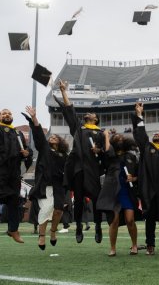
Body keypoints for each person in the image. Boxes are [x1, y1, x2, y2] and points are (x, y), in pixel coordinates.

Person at [54, 80, 106, 243]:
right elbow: (70, 111)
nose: (89, 114)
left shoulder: (101, 133)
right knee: (78, 200)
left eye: (92, 114)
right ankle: (78, 226)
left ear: (96, 120)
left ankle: (98, 226)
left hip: (93, 170)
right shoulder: (79, 129)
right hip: (78, 169)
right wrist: (64, 92)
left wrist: (100, 150)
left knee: (97, 200)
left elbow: (107, 151)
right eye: (88, 114)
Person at [0, 108, 33, 246]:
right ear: (0, 116)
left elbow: (25, 151)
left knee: (14, 201)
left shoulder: (18, 133)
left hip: (13, 173)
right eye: (4, 113)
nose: (7, 115)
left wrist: (27, 153)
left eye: (9, 113)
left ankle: (13, 230)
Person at [132, 102, 159, 255]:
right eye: (155, 134)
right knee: (149, 219)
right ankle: (150, 245)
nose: (156, 134)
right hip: (149, 189)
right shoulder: (147, 149)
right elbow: (140, 135)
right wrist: (139, 115)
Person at [23, 106, 68, 251]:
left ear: (60, 142)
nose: (52, 137)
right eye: (51, 137)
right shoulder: (44, 149)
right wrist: (34, 118)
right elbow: (38, 134)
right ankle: (42, 235)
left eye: (55, 137)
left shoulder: (64, 156)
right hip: (45, 184)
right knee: (47, 207)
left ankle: (53, 232)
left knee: (58, 210)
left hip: (59, 185)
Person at [98, 133, 140, 256]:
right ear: (112, 142)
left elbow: (139, 174)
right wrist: (106, 136)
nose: (120, 139)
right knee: (114, 221)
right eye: (117, 138)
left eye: (122, 138)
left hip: (127, 191)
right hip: (113, 192)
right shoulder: (110, 156)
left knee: (130, 220)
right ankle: (112, 248)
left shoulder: (131, 156)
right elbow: (107, 152)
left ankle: (134, 245)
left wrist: (134, 178)